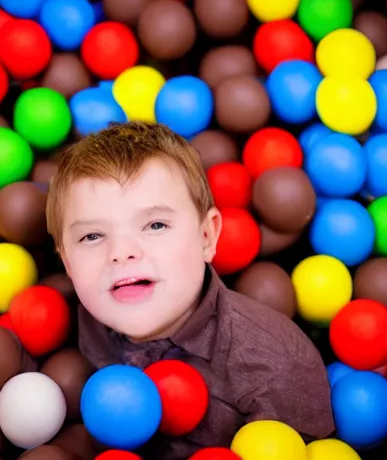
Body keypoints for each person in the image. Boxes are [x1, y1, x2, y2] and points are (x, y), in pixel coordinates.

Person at [46, 122, 334, 458]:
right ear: (67, 262)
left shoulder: (274, 367)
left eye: (155, 225)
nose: (120, 252)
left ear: (207, 238)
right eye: (92, 236)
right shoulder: (93, 313)